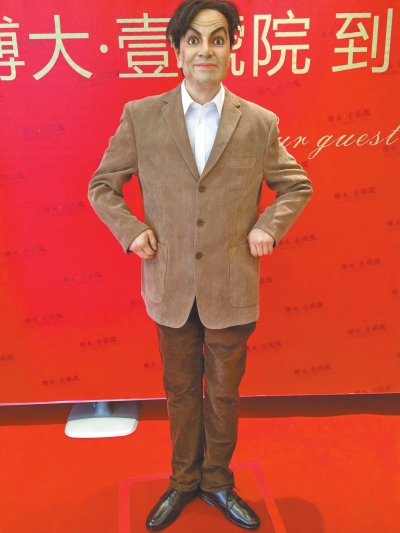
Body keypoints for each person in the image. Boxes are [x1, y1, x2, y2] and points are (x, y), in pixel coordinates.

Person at [88, 0, 313, 529]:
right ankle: (182, 480)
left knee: (224, 395)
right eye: (193, 39)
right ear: (177, 50)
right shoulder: (142, 116)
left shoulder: (258, 123)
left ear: (232, 49)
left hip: (230, 285)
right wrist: (132, 231)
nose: (205, 50)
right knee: (182, 391)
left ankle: (217, 481)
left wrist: (268, 226)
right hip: (169, 284)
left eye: (217, 38)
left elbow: (296, 185)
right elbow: (102, 185)